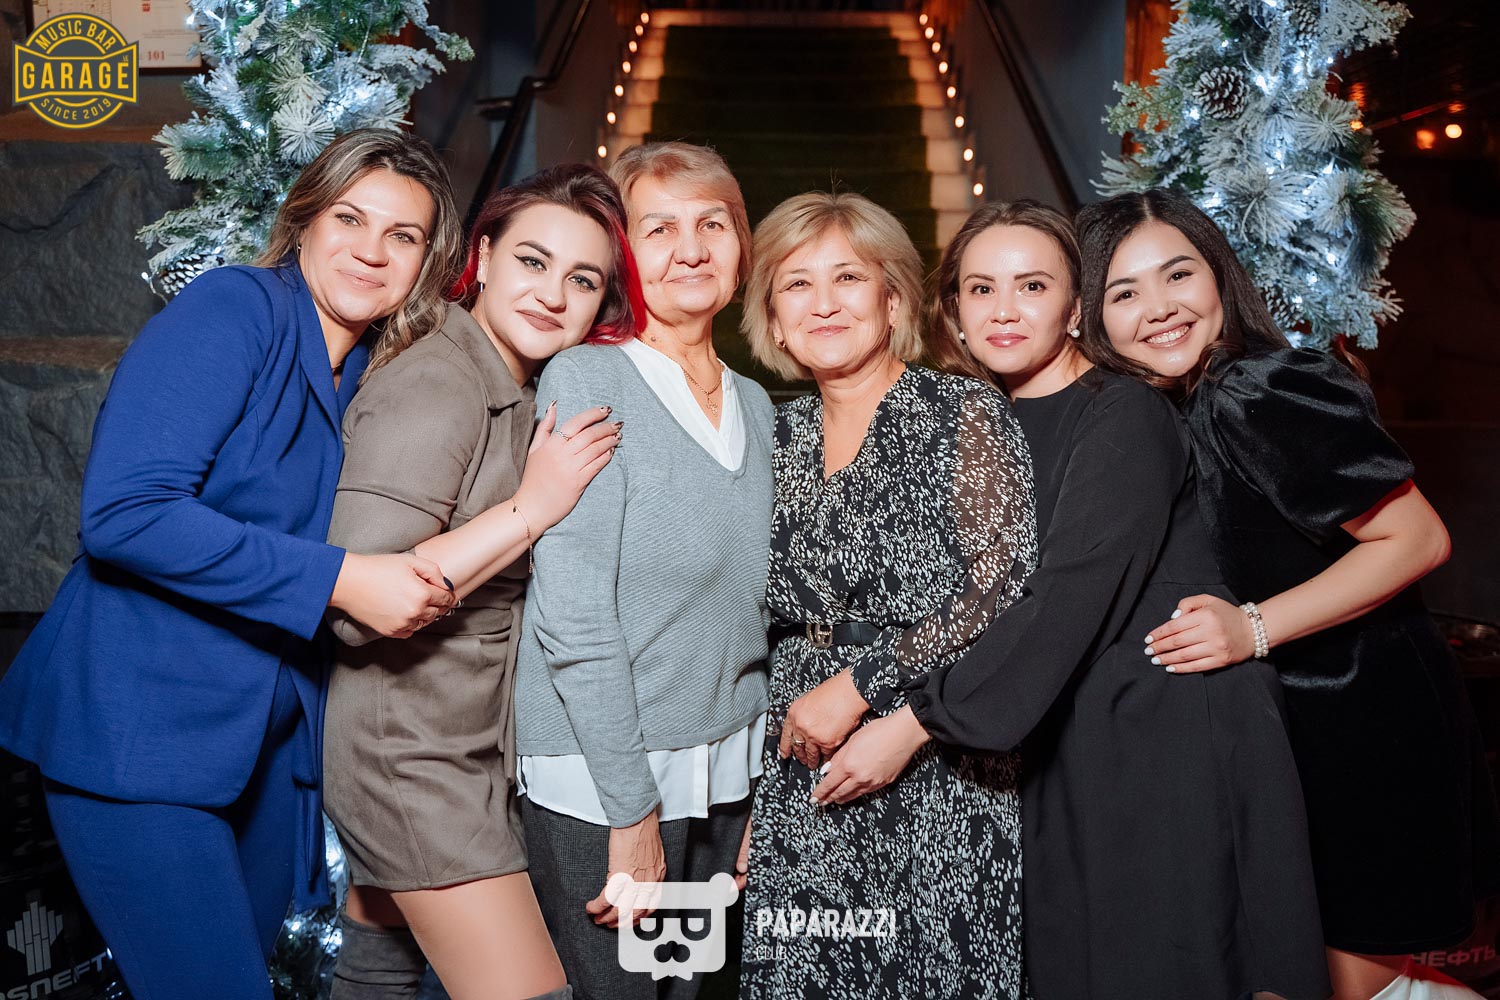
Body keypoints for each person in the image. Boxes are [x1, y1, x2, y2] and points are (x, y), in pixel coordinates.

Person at [816, 200, 1330, 998]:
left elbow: (1070, 595)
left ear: (1075, 307)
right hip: (1058, 734)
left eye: (1032, 285)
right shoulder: (981, 421)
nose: (1005, 310)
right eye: (982, 289)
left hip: (1159, 734)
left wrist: (912, 722)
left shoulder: (1125, 411)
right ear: (953, 312)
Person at [0, 129, 462, 1000]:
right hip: (138, 735)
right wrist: (342, 579)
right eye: (350, 218)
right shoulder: (235, 309)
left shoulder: (374, 373)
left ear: (426, 261)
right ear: (305, 219)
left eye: (402, 235)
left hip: (262, 754)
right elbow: (126, 513)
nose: (371, 250)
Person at [1076, 188, 1500, 1000]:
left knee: (1349, 983)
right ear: (1094, 317)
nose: (1160, 307)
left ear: (1219, 276)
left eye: (1178, 274)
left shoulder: (1259, 389)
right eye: (1124, 292)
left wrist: (1253, 628)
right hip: (1294, 725)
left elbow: (1417, 538)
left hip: (1362, 718)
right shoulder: (1168, 407)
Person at [321, 164, 637, 1000]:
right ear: (485, 257)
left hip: (464, 742)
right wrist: (532, 510)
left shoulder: (520, 387)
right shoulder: (437, 383)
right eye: (532, 261)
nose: (553, 295)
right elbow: (356, 606)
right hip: (409, 754)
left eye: (583, 280)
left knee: (377, 968)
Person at [736, 191, 1036, 999]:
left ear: (893, 299)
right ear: (774, 318)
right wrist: (762, 794)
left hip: (938, 753)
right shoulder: (775, 433)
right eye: (797, 284)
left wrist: (864, 684)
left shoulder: (962, 410)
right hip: (801, 754)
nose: (824, 303)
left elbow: (1003, 586)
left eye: (848, 277)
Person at [512, 141, 772, 1000]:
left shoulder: (758, 404)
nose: (690, 250)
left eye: (712, 225)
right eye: (659, 228)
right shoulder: (590, 377)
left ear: (742, 247)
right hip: (605, 784)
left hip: (720, 779)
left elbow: (757, 616)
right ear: (623, 251)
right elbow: (573, 615)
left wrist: (755, 791)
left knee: (683, 994)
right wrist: (631, 811)